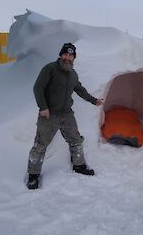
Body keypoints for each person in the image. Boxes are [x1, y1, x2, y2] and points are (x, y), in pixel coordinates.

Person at [27, 43, 103, 189]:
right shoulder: (49, 69)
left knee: (76, 140)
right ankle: (33, 175)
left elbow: (80, 90)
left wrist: (95, 101)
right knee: (40, 145)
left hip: (67, 114)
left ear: (74, 57)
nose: (68, 58)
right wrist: (43, 107)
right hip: (49, 114)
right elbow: (38, 87)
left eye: (71, 55)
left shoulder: (73, 74)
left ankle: (79, 165)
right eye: (65, 54)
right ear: (61, 55)